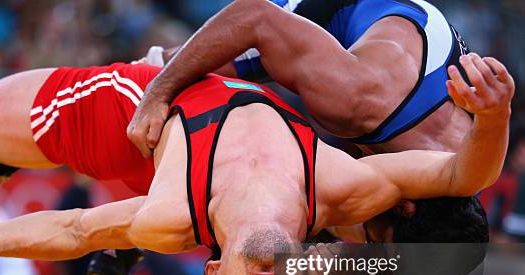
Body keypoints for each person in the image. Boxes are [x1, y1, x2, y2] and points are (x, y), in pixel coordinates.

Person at [0, 56, 510, 275]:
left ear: (215, 274)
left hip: (139, 113)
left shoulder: (169, 219)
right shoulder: (343, 187)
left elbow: (72, 229)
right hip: (215, 88)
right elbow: (464, 175)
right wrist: (495, 116)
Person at [127, 0, 510, 159]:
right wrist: (157, 91)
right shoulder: (352, 102)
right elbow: (253, 16)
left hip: (395, 32)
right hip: (326, 12)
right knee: (155, 76)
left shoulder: (477, 159)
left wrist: (499, 115)